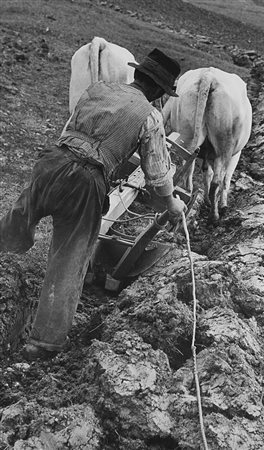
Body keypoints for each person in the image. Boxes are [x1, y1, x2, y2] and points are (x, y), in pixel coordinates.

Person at [0, 48, 186, 361]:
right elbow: (156, 174)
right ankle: (43, 344)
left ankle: (6, 266)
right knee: (70, 259)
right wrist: (171, 204)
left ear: (137, 74)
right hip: (86, 180)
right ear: (157, 90)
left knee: (17, 219)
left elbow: (72, 130)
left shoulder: (97, 89)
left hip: (51, 162)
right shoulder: (150, 116)